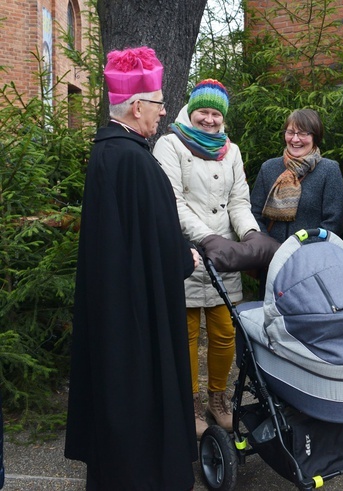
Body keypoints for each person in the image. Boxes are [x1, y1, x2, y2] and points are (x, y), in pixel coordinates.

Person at [65, 46, 200, 490]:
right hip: (138, 314)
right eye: (160, 104)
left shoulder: (107, 153)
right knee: (142, 400)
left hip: (114, 306)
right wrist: (187, 256)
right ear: (137, 105)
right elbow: (159, 239)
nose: (164, 112)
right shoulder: (135, 162)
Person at [153, 79, 278, 437]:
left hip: (225, 257)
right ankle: (190, 402)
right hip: (188, 251)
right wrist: (206, 237)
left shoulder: (231, 150)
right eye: (204, 112)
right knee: (188, 333)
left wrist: (250, 235)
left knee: (225, 332)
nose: (210, 119)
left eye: (216, 114)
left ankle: (217, 399)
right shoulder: (170, 145)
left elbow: (238, 200)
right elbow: (172, 202)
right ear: (192, 111)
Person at [250, 109, 343, 244]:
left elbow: (334, 222)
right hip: (271, 257)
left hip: (311, 257)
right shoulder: (268, 168)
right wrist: (269, 246)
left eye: (303, 133)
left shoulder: (329, 170)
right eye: (290, 132)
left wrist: (301, 248)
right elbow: (254, 214)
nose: (295, 139)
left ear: (315, 136)